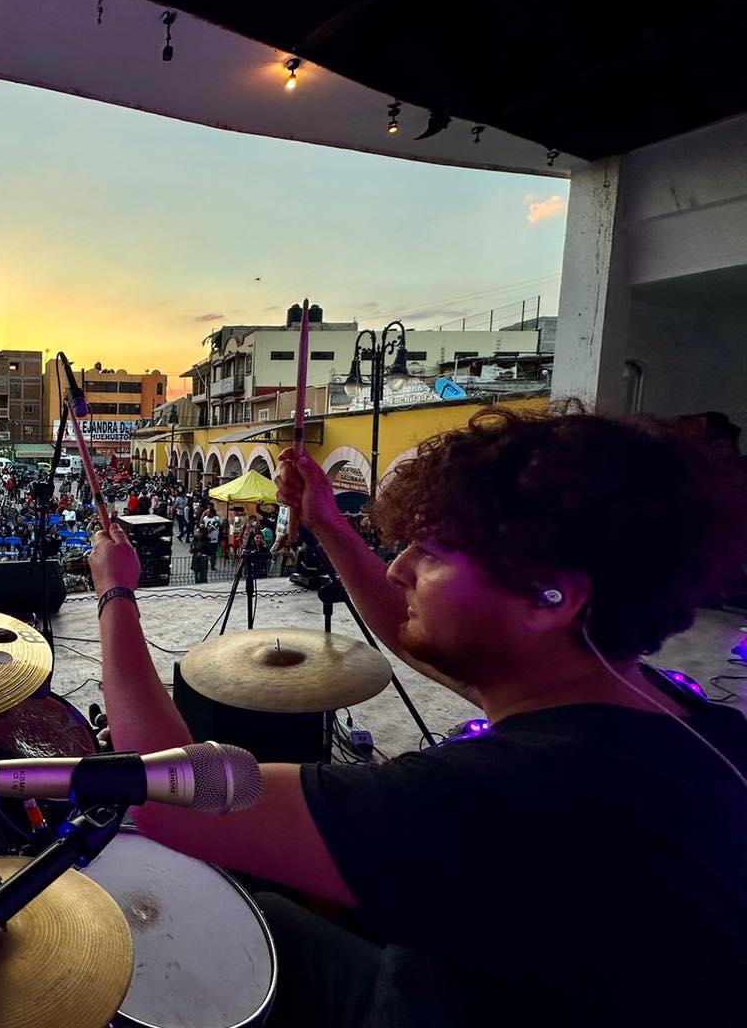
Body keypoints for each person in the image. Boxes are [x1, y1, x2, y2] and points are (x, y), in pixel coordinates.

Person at [90, 405, 747, 1027]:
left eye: (433, 552)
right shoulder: (673, 715)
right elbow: (417, 636)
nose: (400, 569)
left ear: (553, 598)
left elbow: (166, 800)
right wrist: (328, 523)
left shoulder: (493, 796)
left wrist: (116, 593)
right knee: (269, 915)